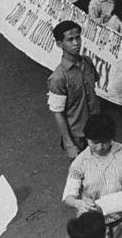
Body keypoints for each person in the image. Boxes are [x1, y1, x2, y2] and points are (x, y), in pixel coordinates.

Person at [62, 114, 122, 238]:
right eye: (95, 142)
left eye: (105, 141)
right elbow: (68, 196)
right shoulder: (79, 163)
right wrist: (79, 204)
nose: (100, 147)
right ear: (87, 138)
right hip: (94, 227)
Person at [48, 20, 100, 159]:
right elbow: (58, 113)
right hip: (78, 138)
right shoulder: (58, 78)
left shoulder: (87, 62)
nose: (76, 43)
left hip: (97, 130)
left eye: (77, 37)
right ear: (60, 44)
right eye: (70, 40)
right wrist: (69, 143)